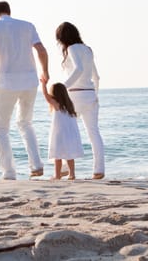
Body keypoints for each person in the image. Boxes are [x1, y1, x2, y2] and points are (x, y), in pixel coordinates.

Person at [0, 1, 49, 180]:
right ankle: (36, 165)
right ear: (9, 11)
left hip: (6, 82)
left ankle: (8, 172)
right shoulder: (27, 26)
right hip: (30, 81)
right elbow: (41, 49)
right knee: (25, 123)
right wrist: (45, 71)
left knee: (1, 129)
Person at [55, 21, 105, 179]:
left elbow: (79, 69)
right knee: (93, 133)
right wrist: (95, 94)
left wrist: (62, 87)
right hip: (90, 95)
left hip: (74, 94)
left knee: (65, 131)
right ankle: (99, 170)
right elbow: (96, 76)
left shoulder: (71, 48)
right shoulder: (87, 49)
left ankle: (64, 167)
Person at [40, 79, 84, 180]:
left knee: (57, 155)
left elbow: (46, 95)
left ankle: (58, 175)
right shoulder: (69, 105)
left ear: (54, 94)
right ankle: (72, 174)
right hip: (71, 134)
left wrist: (43, 84)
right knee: (69, 155)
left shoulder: (56, 104)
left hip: (60, 134)